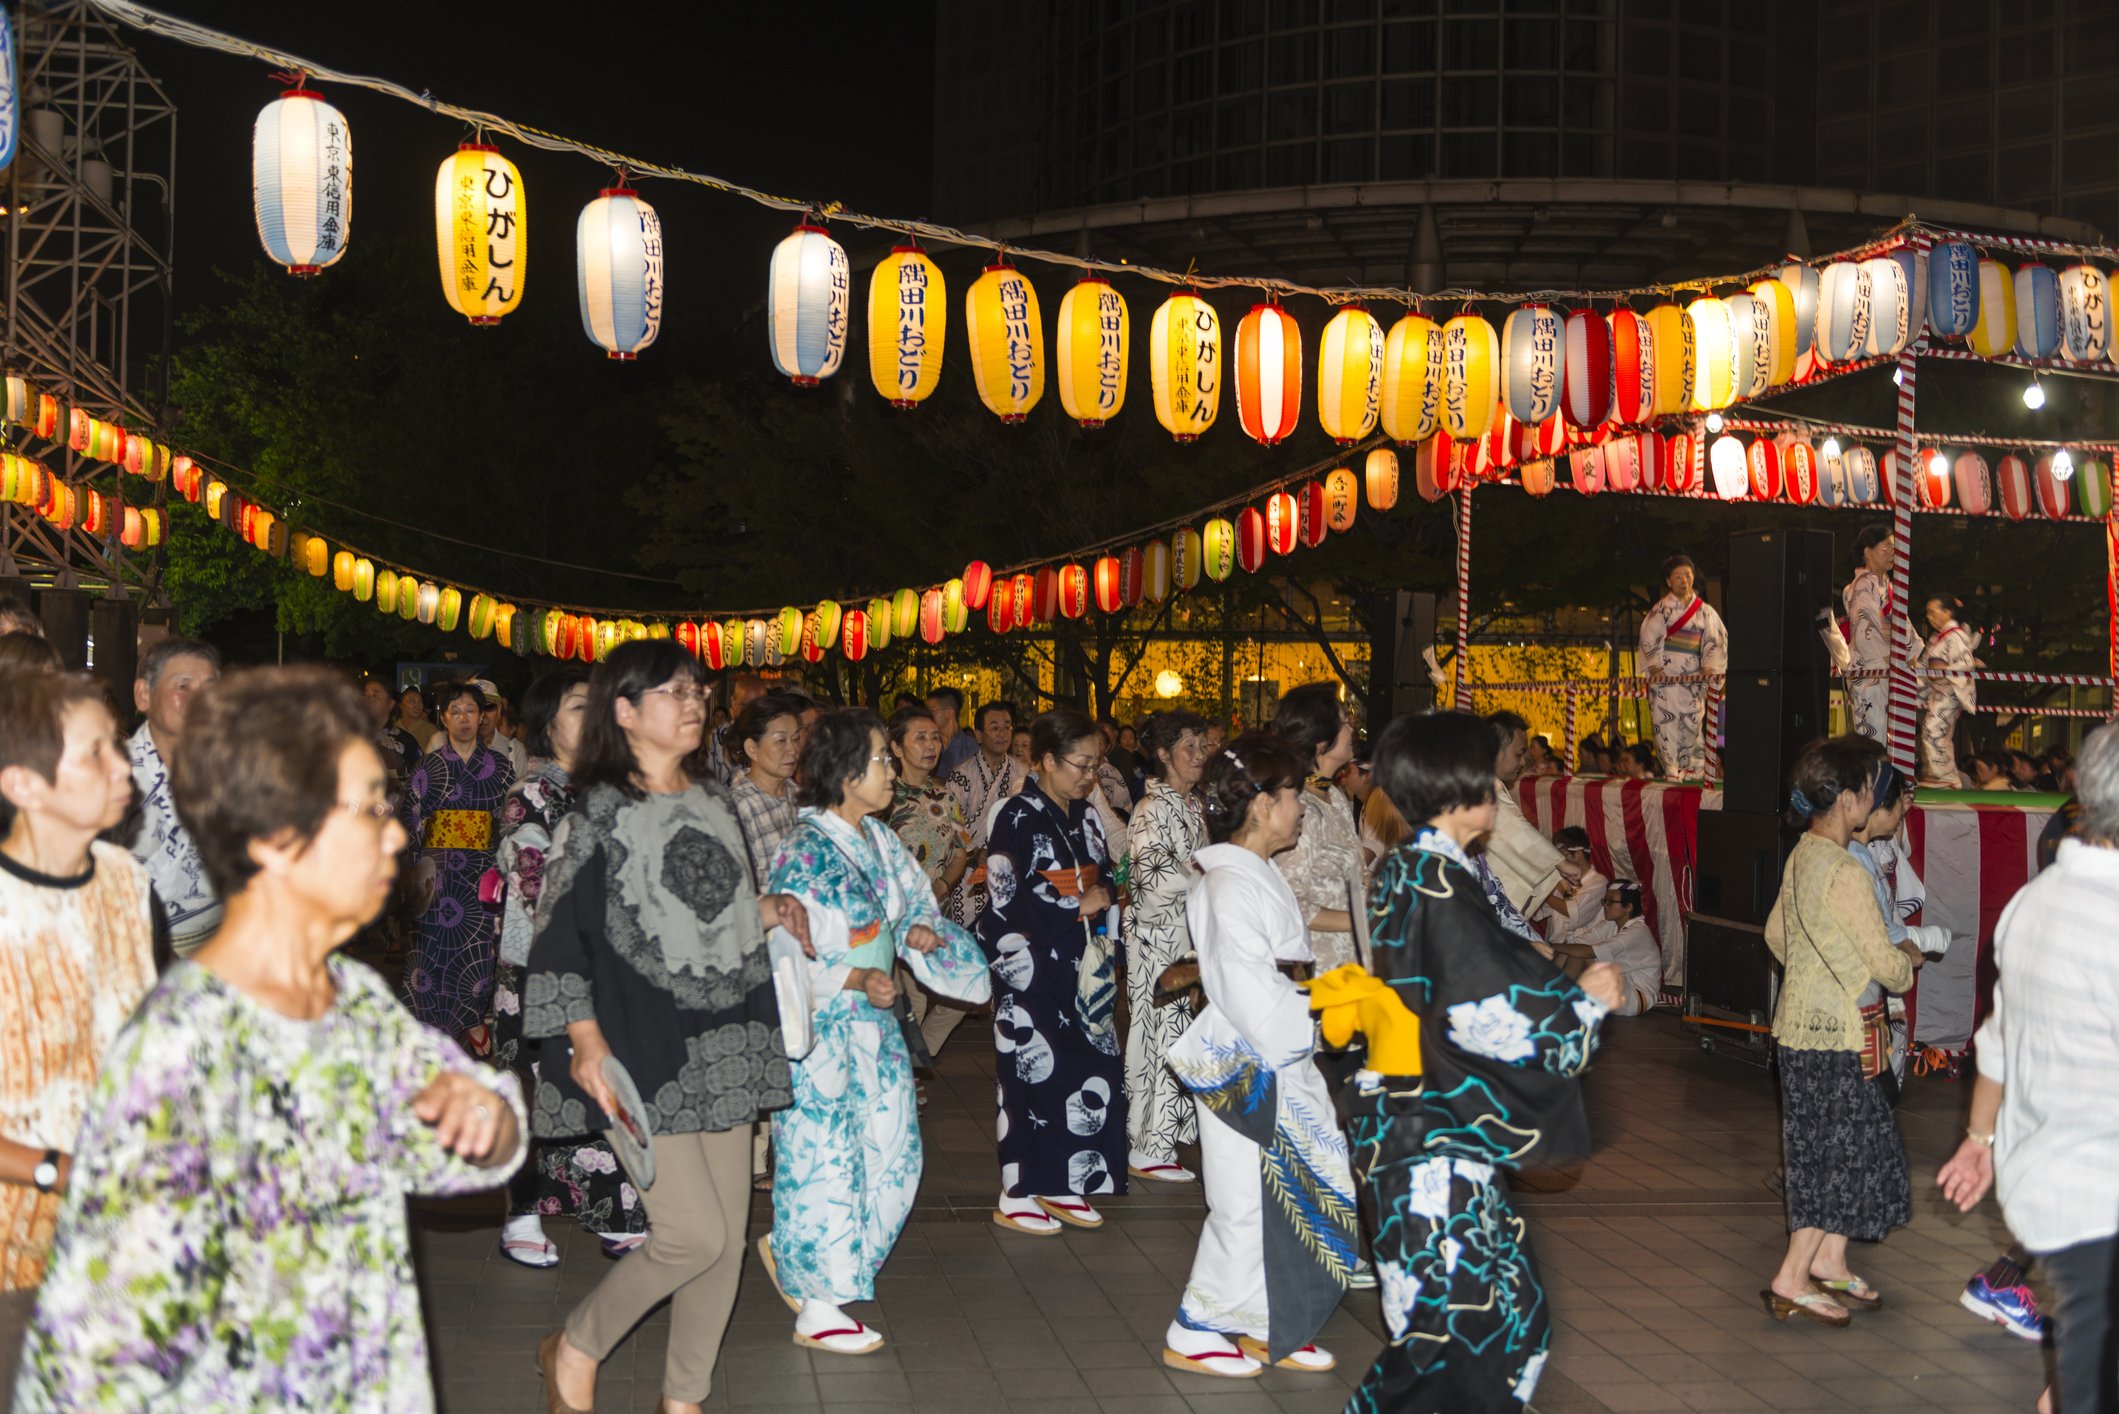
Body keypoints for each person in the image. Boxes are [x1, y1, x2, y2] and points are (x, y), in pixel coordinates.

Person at [13, 666, 524, 1411]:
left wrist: (486, 1116)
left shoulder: (351, 1000)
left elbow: (449, 1145)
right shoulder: (184, 1049)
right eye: (365, 811)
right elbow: (88, 1363)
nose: (392, 832)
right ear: (279, 841)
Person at [524, 641, 803, 1414]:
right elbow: (559, 937)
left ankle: (684, 1401)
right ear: (624, 711)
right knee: (692, 1235)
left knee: (727, 1239)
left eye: (696, 690)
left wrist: (764, 910)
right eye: (673, 692)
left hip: (728, 1039)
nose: (693, 703)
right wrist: (582, 1042)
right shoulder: (599, 810)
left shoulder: (714, 798)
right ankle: (575, 1345)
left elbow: (705, 910)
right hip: (641, 1048)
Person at [1346, 710, 1621, 1409]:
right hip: (1429, 1143)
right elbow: (1484, 1011)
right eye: (1487, 775)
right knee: (1458, 1341)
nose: (1499, 790)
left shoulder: (1424, 872)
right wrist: (1581, 1004)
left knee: (1506, 1324)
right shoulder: (1430, 882)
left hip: (1437, 1130)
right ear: (1458, 787)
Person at [759, 710, 991, 1355]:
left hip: (876, 1025)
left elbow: (916, 905)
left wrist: (920, 933)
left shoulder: (881, 842)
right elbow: (789, 947)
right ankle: (820, 1302)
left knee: (895, 1155)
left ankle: (805, 1261)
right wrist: (854, 979)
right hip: (825, 1028)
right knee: (826, 1158)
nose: (892, 769)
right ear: (846, 772)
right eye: (882, 759)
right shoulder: (804, 850)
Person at [1161, 733, 1358, 1379]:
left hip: (1276, 1047)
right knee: (1246, 1197)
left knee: (1302, 1184)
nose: (1300, 806)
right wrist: (1322, 1009)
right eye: (1292, 794)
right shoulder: (1227, 884)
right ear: (1260, 804)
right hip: (1250, 1055)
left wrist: (1322, 1001)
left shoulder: (1251, 875)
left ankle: (1266, 1319)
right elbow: (1247, 990)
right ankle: (1198, 1324)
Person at [1939, 722, 2119, 1414]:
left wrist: (1977, 1140)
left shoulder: (2033, 902)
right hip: (2099, 1192)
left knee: (2082, 1369)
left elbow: (1998, 1039)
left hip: (2048, 1185)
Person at [0, 672, 158, 1404]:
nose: (122, 767)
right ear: (23, 785)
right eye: (94, 753)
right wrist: (58, 1170)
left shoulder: (126, 879)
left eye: (118, 746)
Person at [1761, 735, 1924, 1328]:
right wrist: (1908, 963)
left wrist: (1816, 963)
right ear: (1851, 799)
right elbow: (1888, 966)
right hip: (1840, 1033)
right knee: (1835, 1156)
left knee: (1831, 1149)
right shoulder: (1846, 873)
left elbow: (1777, 937)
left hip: (1800, 1027)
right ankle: (1793, 1274)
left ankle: (1830, 1257)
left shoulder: (1803, 854)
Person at [490, 666, 647, 1270]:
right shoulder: (530, 796)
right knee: (534, 1092)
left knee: (597, 1084)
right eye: (580, 707)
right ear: (547, 722)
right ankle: (521, 1215)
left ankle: (618, 1212)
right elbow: (532, 874)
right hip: (535, 972)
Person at [978, 708, 1127, 1236]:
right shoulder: (1014, 814)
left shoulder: (1085, 815)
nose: (1089, 775)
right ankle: (1017, 1189)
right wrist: (1073, 905)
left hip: (1081, 963)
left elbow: (1104, 875)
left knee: (1084, 1072)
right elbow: (1003, 895)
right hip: (1030, 965)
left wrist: (1102, 903)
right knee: (1031, 1076)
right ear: (1045, 760)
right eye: (1079, 764)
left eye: (1095, 764)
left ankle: (1063, 1181)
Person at [398, 680, 515, 1049]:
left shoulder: (501, 767)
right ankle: (427, 1026)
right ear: (444, 718)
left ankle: (471, 1016)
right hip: (437, 873)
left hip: (483, 871)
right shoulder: (428, 767)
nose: (464, 718)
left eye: (471, 711)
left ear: (482, 718)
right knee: (431, 948)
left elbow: (510, 821)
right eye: (456, 711)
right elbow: (410, 818)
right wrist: (413, 867)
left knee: (478, 949)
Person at [1122, 709, 1209, 1185]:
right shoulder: (1152, 809)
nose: (1198, 754)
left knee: (1175, 1036)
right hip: (1159, 940)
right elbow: (1152, 882)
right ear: (1162, 754)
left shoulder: (1189, 806)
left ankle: (1160, 1141)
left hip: (1183, 937)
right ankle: (1148, 1143)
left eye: (1202, 746)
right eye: (1187, 746)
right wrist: (1206, 877)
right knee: (1158, 1036)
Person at [884, 706, 976, 1062]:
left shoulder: (946, 797)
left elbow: (960, 853)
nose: (931, 745)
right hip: (898, 918)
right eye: (919, 738)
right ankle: (905, 1073)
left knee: (962, 995)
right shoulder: (882, 797)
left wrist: (943, 886)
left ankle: (912, 1061)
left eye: (935, 737)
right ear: (896, 748)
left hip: (939, 913)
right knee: (915, 999)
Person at [127, 635, 223, 957]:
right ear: (144, 695)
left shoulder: (236, 772)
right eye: (184, 686)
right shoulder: (112, 775)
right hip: (137, 957)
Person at [1268, 682, 1363, 970]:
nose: (1352, 728)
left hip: (1349, 964)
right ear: (1321, 743)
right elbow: (1290, 903)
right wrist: (1362, 918)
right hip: (1319, 971)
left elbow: (1351, 873)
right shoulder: (1301, 809)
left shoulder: (1333, 795)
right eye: (1344, 722)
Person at [1639, 552, 1729, 781]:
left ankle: (1690, 768)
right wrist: (1655, 668)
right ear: (1669, 581)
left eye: (1687, 575)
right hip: (1666, 679)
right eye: (1677, 576)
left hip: (1693, 679)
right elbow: (1649, 638)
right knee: (1665, 724)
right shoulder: (1660, 611)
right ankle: (1671, 769)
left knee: (1693, 722)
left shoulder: (1705, 612)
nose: (1683, 580)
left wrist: (1710, 668)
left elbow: (1716, 641)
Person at [1481, 709, 1575, 927]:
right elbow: (1510, 828)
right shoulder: (1483, 783)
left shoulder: (1478, 778)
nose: (1523, 762)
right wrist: (1559, 863)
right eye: (1518, 754)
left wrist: (1555, 866)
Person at [1837, 525, 1923, 745]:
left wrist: (1911, 654)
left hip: (1889, 669)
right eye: (1886, 548)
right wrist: (1896, 657)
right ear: (1868, 552)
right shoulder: (1861, 586)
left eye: (1893, 548)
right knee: (1872, 738)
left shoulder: (1887, 586)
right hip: (1873, 670)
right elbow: (1867, 632)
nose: (1893, 553)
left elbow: (1902, 623)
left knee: (1889, 739)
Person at [942, 699, 1023, 928]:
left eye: (1007, 727)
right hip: (968, 872)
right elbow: (953, 826)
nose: (1003, 734)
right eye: (994, 728)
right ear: (978, 735)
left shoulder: (1024, 774)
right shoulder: (960, 776)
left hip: (1011, 870)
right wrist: (974, 852)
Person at [1545, 880, 1663, 1015]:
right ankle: (1548, 995)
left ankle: (1553, 1002)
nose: (1605, 906)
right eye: (1605, 901)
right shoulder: (1611, 925)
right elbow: (1574, 944)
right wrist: (1554, 948)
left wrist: (1550, 946)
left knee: (1579, 955)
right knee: (1570, 951)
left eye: (1611, 902)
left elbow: (1587, 952)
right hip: (1621, 985)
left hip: (1636, 998)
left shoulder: (1637, 932)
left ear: (1628, 907)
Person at [728, 691, 805, 894]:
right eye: (781, 741)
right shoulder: (738, 807)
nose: (793, 750)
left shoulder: (800, 796)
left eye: (796, 739)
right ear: (752, 749)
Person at [1920, 594, 1977, 787]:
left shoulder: (1956, 635)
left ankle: (1945, 777)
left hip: (1951, 691)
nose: (1929, 617)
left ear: (1947, 612)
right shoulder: (1938, 637)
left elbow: (1965, 664)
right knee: (1935, 730)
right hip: (1939, 691)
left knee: (1933, 729)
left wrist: (1942, 671)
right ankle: (1941, 775)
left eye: (1933, 612)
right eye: (1927, 613)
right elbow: (1924, 668)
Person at [1539, 826, 1608, 944]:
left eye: (1562, 856)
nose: (1558, 862)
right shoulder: (1562, 880)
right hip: (1556, 946)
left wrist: (1544, 895)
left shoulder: (1598, 882)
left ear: (1578, 854)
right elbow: (1541, 909)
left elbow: (1572, 913)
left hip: (1580, 952)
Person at [362, 672, 424, 801]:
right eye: (365, 695)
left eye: (374, 695)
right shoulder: (350, 739)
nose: (368, 699)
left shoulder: (406, 742)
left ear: (390, 704)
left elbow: (421, 781)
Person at [706, 671, 766, 784]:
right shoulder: (719, 736)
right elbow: (712, 781)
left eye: (758, 706)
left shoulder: (769, 734)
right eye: (745, 706)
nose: (752, 712)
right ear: (733, 702)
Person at [477, 679, 529, 779]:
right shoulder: (450, 751)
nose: (482, 715)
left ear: (499, 709)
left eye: (489, 707)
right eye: (475, 708)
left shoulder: (515, 751)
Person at [929, 686, 977, 781]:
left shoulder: (972, 749)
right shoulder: (928, 746)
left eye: (931, 711)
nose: (927, 716)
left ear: (949, 713)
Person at [398, 683, 440, 752]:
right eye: (412, 701)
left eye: (420, 702)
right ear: (401, 705)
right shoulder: (394, 727)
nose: (417, 705)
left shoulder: (430, 730)